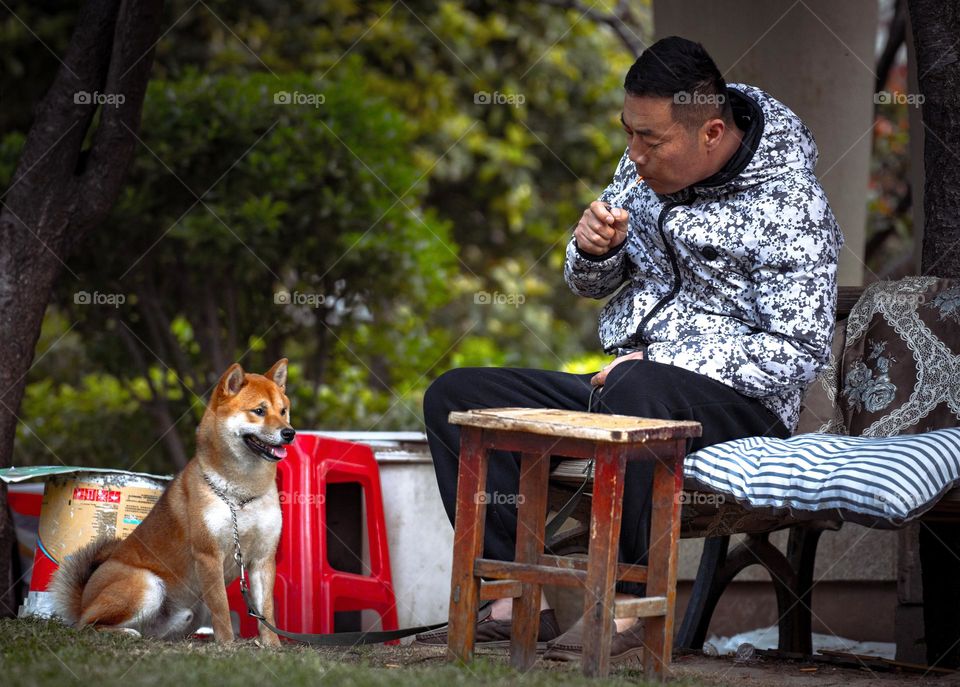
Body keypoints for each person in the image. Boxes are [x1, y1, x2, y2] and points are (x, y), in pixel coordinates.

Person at [416, 35, 843, 664]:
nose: (633, 154)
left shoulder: (791, 204)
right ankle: (506, 599)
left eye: (651, 140)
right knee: (456, 395)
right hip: (622, 383)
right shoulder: (639, 168)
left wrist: (671, 364)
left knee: (635, 392)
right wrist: (593, 251)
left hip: (738, 404)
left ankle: (623, 607)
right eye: (628, 133)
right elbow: (591, 286)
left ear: (710, 132)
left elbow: (798, 348)